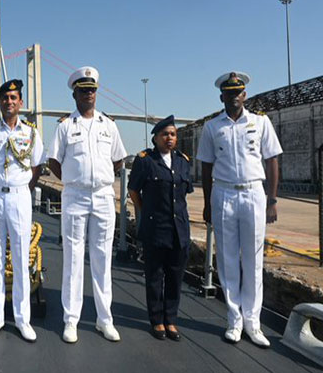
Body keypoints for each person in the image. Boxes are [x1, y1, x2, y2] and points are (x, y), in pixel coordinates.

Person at [196, 71, 282, 348]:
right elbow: (206, 167)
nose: (233, 97)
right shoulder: (212, 127)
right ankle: (234, 320)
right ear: (222, 96)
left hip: (254, 192)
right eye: (229, 93)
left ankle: (253, 323)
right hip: (223, 193)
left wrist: (272, 199)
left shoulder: (261, 122)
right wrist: (208, 204)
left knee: (254, 261)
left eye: (238, 92)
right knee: (228, 259)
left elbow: (272, 161)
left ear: (244, 95)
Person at [47, 66, 126, 344]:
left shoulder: (109, 125)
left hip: (103, 196)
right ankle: (71, 320)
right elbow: (53, 161)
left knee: (103, 259)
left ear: (96, 92)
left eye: (92, 90)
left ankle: (105, 320)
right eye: (83, 91)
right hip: (75, 197)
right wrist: (72, 179)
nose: (89, 94)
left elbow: (118, 159)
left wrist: (100, 179)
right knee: (73, 258)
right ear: (75, 95)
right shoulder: (65, 126)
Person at [0, 79, 44, 342]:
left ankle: (22, 319)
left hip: (19, 197)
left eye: (14, 97)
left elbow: (36, 166)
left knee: (20, 258)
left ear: (21, 102)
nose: (10, 102)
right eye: (5, 98)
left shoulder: (31, 132)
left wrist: (22, 188)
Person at [128, 115, 193, 342]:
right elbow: (133, 190)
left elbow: (184, 195)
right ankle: (156, 320)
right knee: (155, 276)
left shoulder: (183, 161)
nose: (169, 138)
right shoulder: (145, 161)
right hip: (156, 228)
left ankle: (171, 320)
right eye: (165, 134)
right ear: (155, 138)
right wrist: (146, 211)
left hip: (179, 229)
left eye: (173, 134)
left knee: (175, 276)